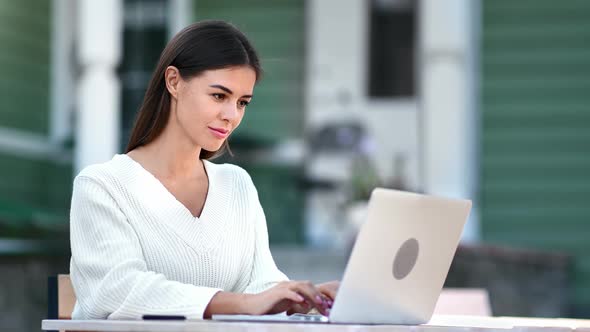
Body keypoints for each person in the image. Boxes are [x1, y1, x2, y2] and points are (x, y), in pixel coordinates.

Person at [69, 20, 339, 320]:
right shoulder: (102, 186)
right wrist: (243, 303)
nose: (231, 115)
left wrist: (298, 298)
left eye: (242, 102)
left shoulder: (237, 185)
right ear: (174, 82)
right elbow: (117, 291)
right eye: (219, 96)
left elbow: (260, 283)